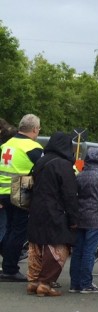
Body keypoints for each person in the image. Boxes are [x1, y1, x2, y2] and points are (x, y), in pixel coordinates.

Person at [25, 131, 79, 297]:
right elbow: (69, 194)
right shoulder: (63, 165)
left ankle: (33, 281)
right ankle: (45, 283)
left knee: (37, 244)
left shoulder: (41, 161)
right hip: (55, 211)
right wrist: (73, 218)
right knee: (57, 247)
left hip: (36, 209)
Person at [0, 114, 44, 282]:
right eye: (38, 129)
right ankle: (10, 269)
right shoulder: (32, 147)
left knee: (10, 228)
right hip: (20, 190)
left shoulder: (6, 145)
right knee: (18, 231)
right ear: (34, 129)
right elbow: (44, 167)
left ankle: (7, 266)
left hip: (3, 191)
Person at [70, 147, 98, 293]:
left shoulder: (79, 176)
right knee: (89, 252)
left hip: (80, 218)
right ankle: (86, 284)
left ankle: (75, 283)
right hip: (96, 219)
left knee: (78, 251)